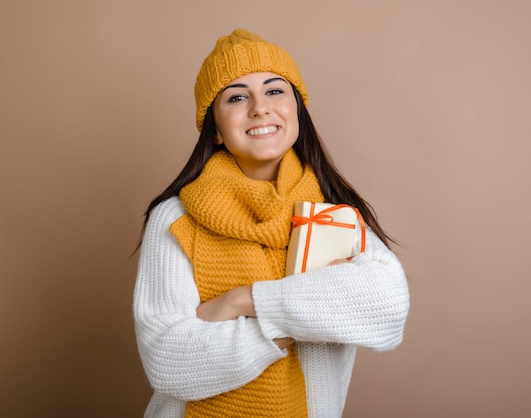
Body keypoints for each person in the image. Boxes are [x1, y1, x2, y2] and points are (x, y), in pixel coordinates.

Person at [133, 28, 410, 418]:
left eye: (275, 90)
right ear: (214, 126)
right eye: (237, 96)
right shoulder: (177, 217)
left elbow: (386, 308)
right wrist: (313, 310)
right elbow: (167, 360)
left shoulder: (333, 213)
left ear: (296, 109)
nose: (260, 107)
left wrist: (240, 301)